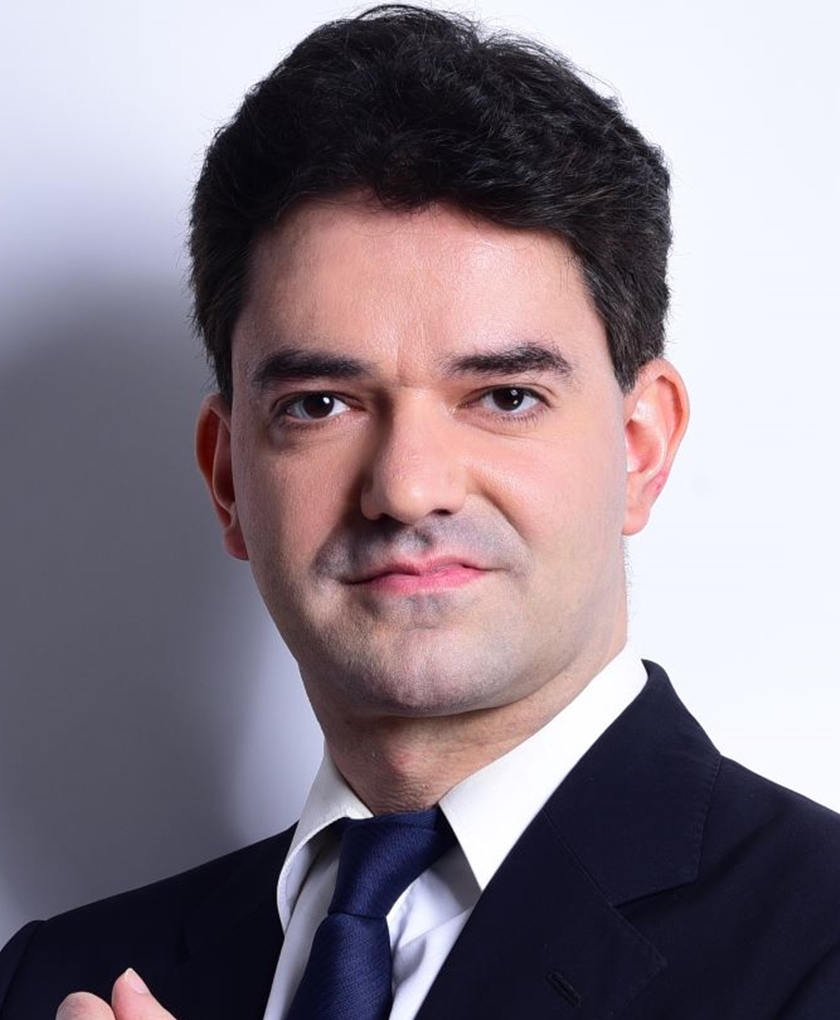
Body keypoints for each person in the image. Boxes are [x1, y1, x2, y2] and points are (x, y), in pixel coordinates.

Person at [1, 5, 839, 1018]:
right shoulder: (49, 980)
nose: (406, 486)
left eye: (504, 397)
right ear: (227, 479)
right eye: (320, 405)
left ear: (641, 446)